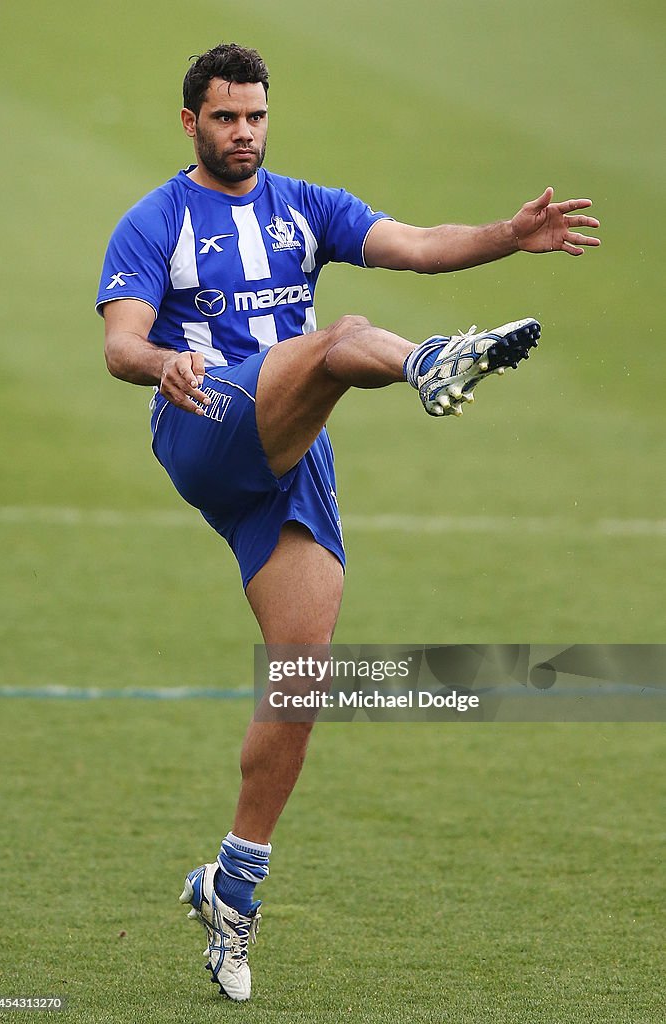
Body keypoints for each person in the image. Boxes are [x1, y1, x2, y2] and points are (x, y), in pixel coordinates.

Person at [96, 43, 600, 1001]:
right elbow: (120, 341)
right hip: (202, 425)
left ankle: (231, 891)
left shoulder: (303, 206)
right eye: (224, 118)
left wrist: (509, 232)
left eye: (254, 116)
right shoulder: (154, 220)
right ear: (191, 123)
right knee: (336, 342)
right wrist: (158, 360)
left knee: (300, 676)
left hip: (286, 458)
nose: (242, 133)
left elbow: (418, 243)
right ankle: (428, 366)